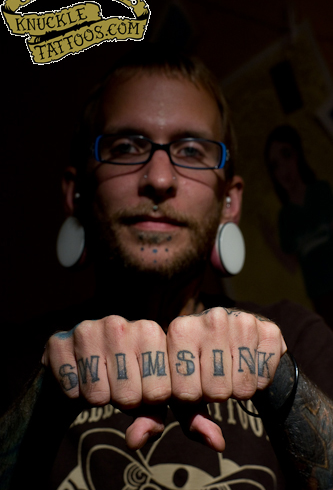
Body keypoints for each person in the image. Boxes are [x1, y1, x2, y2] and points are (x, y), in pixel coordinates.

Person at [1, 45, 333, 490]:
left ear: (229, 201)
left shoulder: (302, 340)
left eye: (192, 150)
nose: (158, 178)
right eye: (125, 146)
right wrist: (44, 399)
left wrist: (280, 383)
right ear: (75, 191)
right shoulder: (11, 362)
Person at [264, 125, 333, 328]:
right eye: (275, 165)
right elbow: (292, 264)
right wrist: (270, 241)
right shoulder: (285, 216)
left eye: (287, 155)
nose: (283, 169)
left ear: (298, 155)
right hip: (320, 297)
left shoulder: (320, 191)